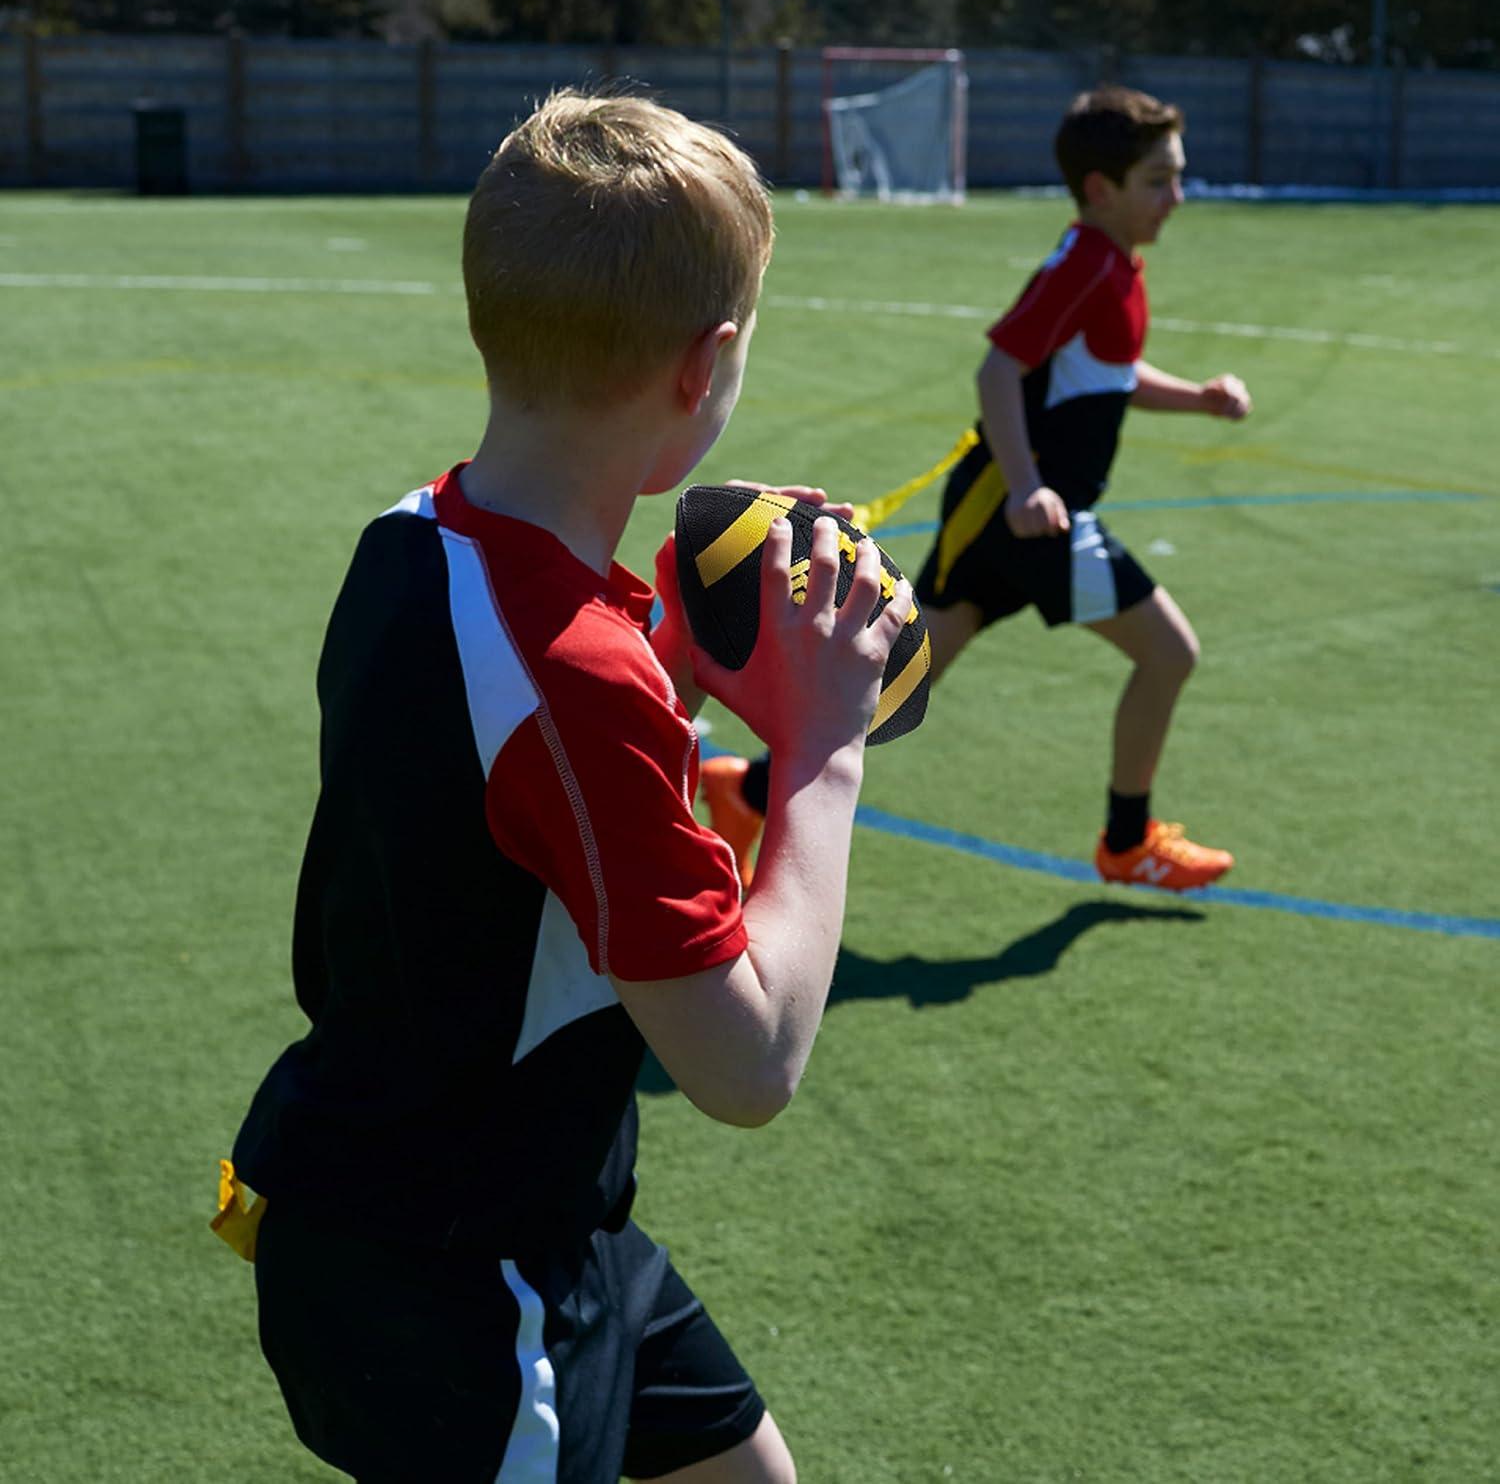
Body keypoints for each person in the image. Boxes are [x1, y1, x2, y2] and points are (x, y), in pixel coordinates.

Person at [221, 89, 911, 1484]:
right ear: (703, 366)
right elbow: (749, 1064)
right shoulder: (579, 686)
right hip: (468, 1290)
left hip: (451, 1198)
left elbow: (498, 790)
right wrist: (824, 746)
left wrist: (679, 667)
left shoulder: (413, 538)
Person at [703, 85, 1251, 894]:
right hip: (1026, 516)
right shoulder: (1087, 265)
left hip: (1010, 511)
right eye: (1159, 181)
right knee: (1169, 653)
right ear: (1102, 190)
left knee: (902, 673)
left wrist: (1195, 398)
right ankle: (1128, 842)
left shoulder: (1111, 263)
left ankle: (744, 790)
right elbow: (1000, 369)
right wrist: (1029, 488)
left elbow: (1106, 372)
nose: (1176, 197)